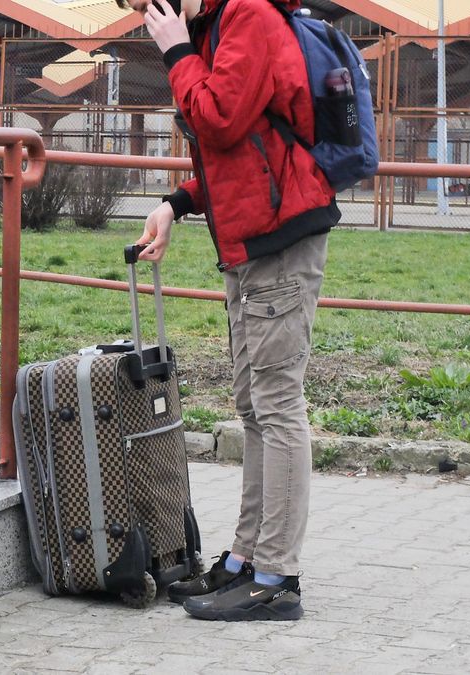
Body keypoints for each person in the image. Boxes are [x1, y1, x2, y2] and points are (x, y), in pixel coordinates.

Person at [119, 0, 339, 621]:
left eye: (149, 2)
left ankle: (277, 577)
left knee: (277, 405)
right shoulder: (217, 24)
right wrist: (176, 203)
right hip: (246, 237)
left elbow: (217, 118)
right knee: (253, 403)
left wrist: (175, 53)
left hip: (280, 237)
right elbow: (237, 149)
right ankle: (246, 560)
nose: (149, 13)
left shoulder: (248, 16)